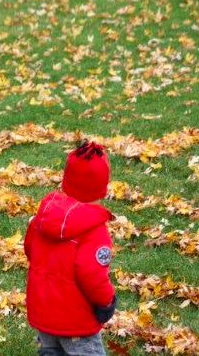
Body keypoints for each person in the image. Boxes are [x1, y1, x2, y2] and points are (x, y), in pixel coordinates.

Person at [24, 141, 117, 356]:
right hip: (76, 320)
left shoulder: (44, 215)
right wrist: (106, 302)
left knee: (51, 350)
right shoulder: (94, 230)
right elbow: (92, 275)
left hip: (43, 310)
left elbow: (30, 248)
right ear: (101, 185)